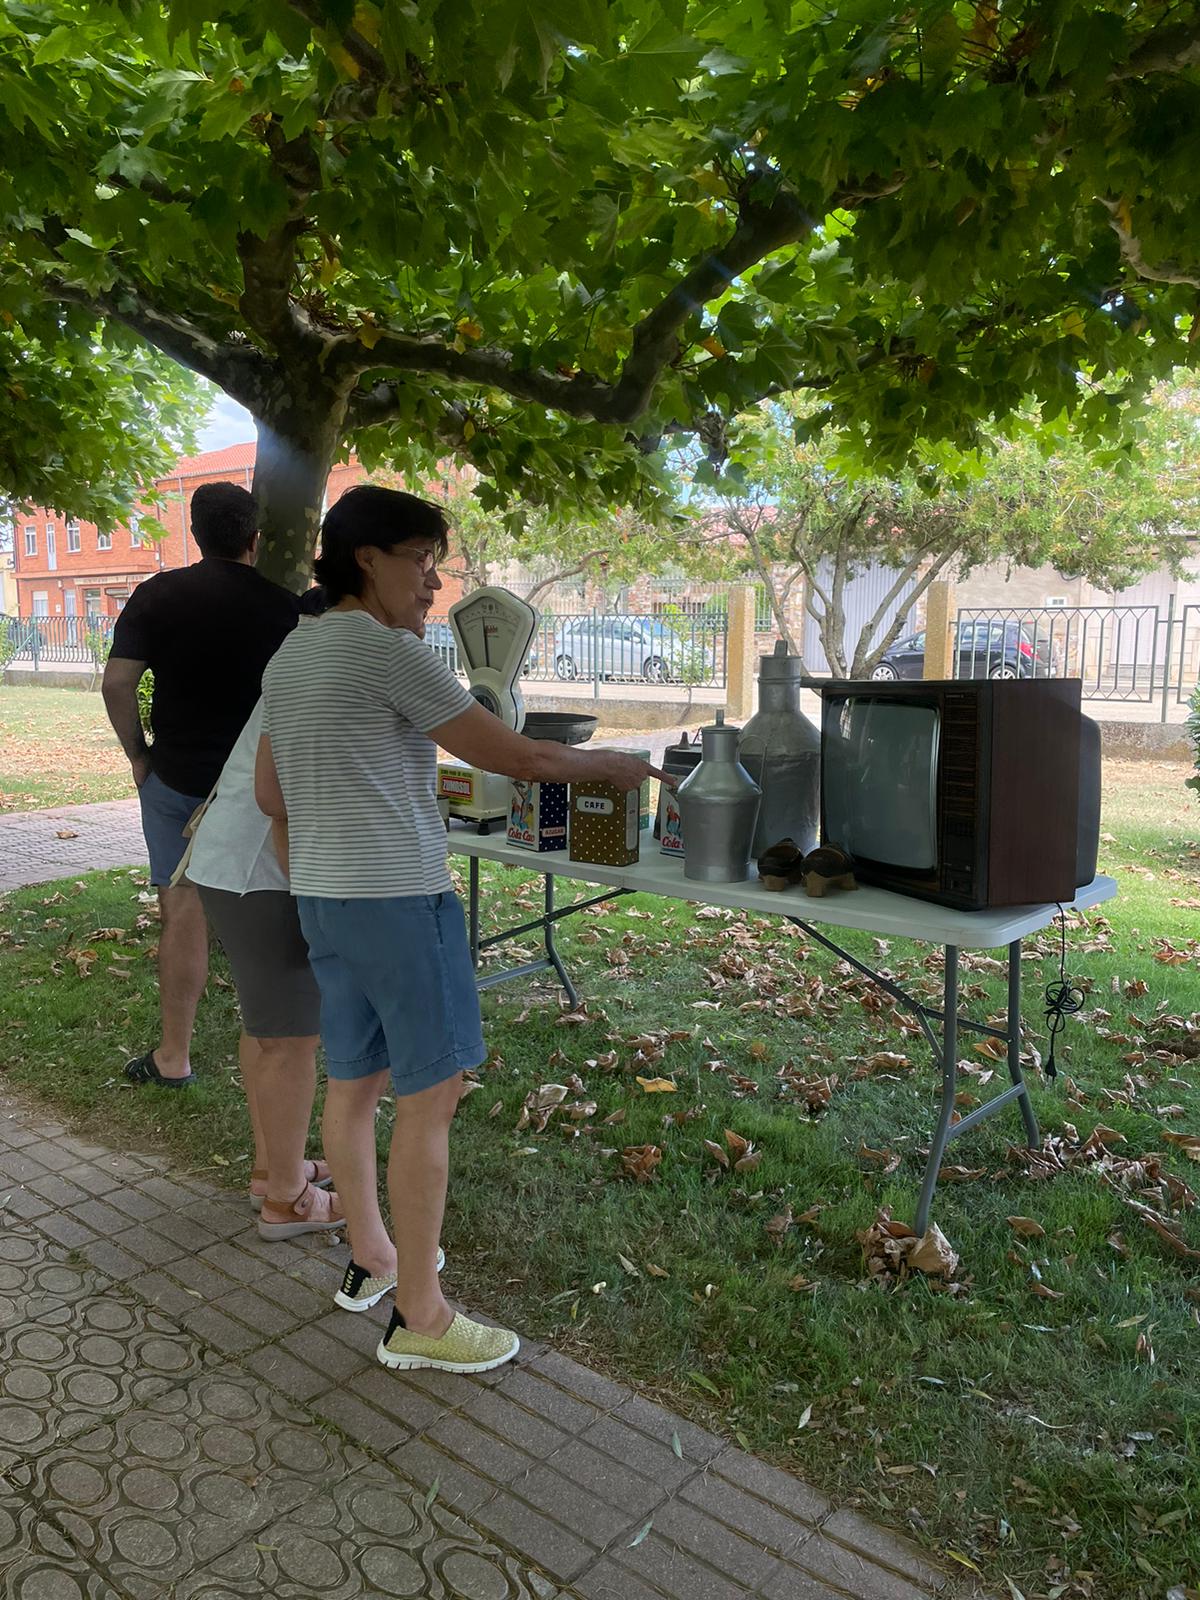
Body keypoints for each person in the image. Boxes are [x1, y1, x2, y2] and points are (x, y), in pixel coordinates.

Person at [256, 485, 665, 1375]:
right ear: (368, 559)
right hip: (403, 901)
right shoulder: (386, 652)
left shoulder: (292, 655)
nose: (435, 583)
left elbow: (270, 797)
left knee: (354, 1086)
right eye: (423, 559)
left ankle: (374, 1256)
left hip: (325, 900)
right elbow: (518, 756)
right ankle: (422, 1315)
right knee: (431, 1100)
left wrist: (321, 871)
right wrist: (616, 766)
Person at [102, 482, 300, 1088]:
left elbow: (116, 684)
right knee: (271, 916)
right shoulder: (286, 608)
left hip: (176, 780)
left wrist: (139, 759)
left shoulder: (157, 596)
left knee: (181, 912)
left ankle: (173, 1057)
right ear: (253, 538)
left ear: (194, 532)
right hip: (258, 791)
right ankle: (283, 1051)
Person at [183, 586, 342, 1239]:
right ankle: (287, 1200)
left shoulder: (301, 659)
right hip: (261, 874)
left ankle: (271, 1168)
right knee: (290, 1039)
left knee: (269, 1031)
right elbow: (279, 798)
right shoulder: (317, 669)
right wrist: (312, 891)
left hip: (236, 867)